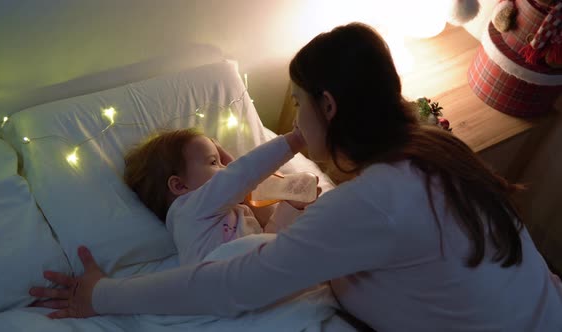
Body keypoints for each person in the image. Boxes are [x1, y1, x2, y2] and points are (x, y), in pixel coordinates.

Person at [29, 22, 562, 331]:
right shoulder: (434, 146)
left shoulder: (374, 200)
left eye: (299, 104)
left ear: (327, 106)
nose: (296, 119)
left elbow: (232, 284)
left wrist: (102, 295)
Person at [122, 127, 312, 264]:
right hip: (229, 281)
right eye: (214, 162)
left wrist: (292, 207)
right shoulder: (189, 210)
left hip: (254, 276)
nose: (226, 167)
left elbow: (268, 243)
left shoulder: (233, 212)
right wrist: (293, 141)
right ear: (179, 185)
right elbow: (241, 174)